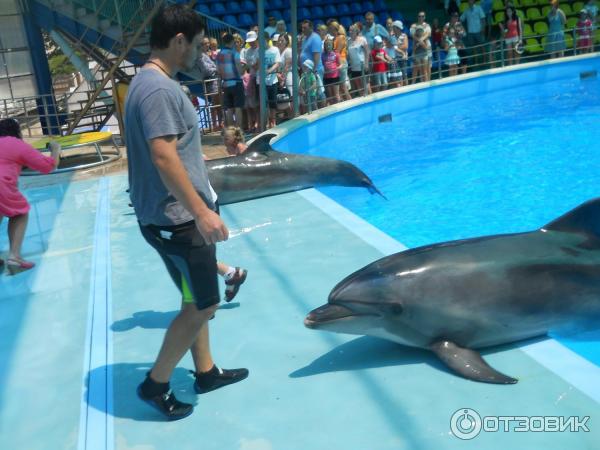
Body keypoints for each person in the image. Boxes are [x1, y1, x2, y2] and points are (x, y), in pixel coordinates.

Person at [124, 5, 248, 420]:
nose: (200, 53)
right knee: (202, 305)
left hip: (165, 218)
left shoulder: (145, 82)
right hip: (179, 221)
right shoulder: (159, 90)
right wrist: (202, 212)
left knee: (194, 296)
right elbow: (163, 156)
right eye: (196, 45)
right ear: (179, 41)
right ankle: (155, 384)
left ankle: (206, 372)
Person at [0, 119, 60, 274]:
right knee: (20, 213)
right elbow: (48, 166)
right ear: (17, 132)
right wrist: (55, 149)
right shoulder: (16, 144)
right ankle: (14, 256)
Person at [216, 33, 244, 128]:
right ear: (232, 41)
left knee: (229, 109)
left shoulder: (218, 55)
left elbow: (218, 71)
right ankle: (239, 130)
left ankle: (231, 131)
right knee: (238, 107)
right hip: (236, 83)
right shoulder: (235, 54)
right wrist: (246, 67)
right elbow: (240, 71)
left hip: (226, 84)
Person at [256, 31, 281, 128]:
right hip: (261, 81)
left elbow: (277, 63)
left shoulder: (275, 50)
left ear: (267, 40)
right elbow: (258, 63)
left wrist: (270, 70)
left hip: (272, 80)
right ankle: (265, 122)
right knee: (263, 103)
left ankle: (273, 121)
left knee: (272, 102)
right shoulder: (259, 51)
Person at [460, 0, 486, 69]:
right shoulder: (466, 10)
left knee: (482, 46)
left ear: (473, 1)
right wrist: (462, 29)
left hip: (479, 31)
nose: (469, 1)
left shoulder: (478, 8)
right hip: (470, 32)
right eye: (468, 0)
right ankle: (476, 62)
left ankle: (484, 61)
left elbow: (483, 19)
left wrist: (483, 29)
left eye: (470, 0)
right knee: (473, 48)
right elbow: (461, 19)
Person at [347, 23, 371, 96]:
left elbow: (367, 52)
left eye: (352, 30)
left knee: (366, 84)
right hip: (354, 67)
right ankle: (362, 100)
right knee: (358, 85)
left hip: (363, 65)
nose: (350, 32)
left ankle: (370, 99)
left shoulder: (362, 39)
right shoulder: (348, 41)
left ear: (356, 31)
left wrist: (366, 64)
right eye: (349, 30)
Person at [322, 38, 341, 104]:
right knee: (330, 96)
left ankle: (338, 106)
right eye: (327, 45)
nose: (328, 46)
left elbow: (341, 65)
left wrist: (337, 68)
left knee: (336, 95)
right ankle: (332, 107)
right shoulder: (322, 55)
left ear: (332, 45)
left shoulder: (336, 54)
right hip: (326, 77)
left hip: (335, 76)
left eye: (329, 45)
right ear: (325, 46)